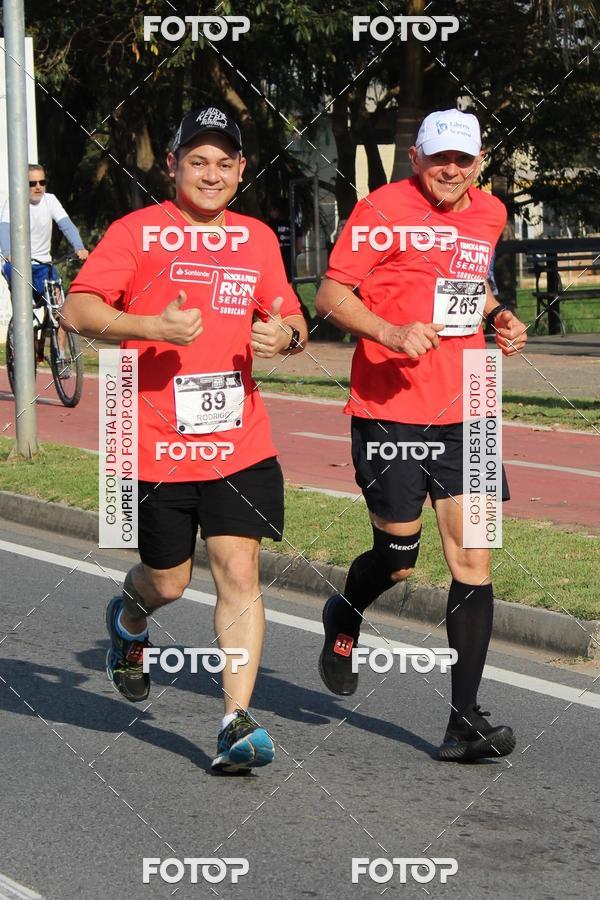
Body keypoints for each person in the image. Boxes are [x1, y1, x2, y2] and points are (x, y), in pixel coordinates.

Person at [61, 107, 307, 773]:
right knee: (168, 580)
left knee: (240, 570)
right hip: (156, 442)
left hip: (240, 441)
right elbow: (77, 309)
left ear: (240, 172)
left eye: (224, 162)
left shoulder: (256, 239)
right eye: (197, 160)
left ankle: (235, 722)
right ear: (172, 167)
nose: (210, 173)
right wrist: (153, 328)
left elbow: (291, 314)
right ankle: (130, 617)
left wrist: (284, 335)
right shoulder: (137, 233)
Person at [314, 109, 527, 763]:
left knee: (474, 561)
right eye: (440, 158)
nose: (451, 169)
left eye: (463, 159)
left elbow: (471, 283)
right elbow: (330, 294)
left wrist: (499, 314)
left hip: (469, 407)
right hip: (390, 407)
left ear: (479, 160)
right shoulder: (380, 209)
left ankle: (463, 723)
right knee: (398, 557)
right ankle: (345, 611)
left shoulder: (489, 213)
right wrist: (391, 333)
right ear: (417, 157)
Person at [0, 164, 88, 363]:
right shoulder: (15, 202)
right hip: (17, 266)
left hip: (44, 265)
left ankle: (60, 355)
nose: (38, 187)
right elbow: (4, 228)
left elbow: (66, 225)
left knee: (61, 309)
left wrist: (78, 246)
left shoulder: (50, 201)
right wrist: (8, 253)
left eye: (42, 182)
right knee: (25, 314)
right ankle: (24, 350)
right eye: (32, 183)